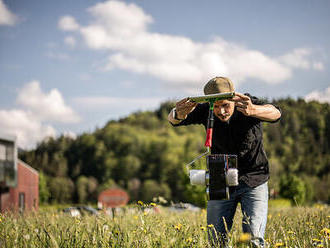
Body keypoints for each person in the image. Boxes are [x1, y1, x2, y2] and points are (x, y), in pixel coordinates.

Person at [168, 77, 281, 247]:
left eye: (225, 105)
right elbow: (173, 119)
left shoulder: (247, 103)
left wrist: (253, 110)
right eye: (217, 106)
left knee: (254, 239)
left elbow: (276, 113)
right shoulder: (206, 109)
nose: (221, 111)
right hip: (219, 178)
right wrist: (178, 113)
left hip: (254, 178)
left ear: (234, 99)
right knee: (216, 239)